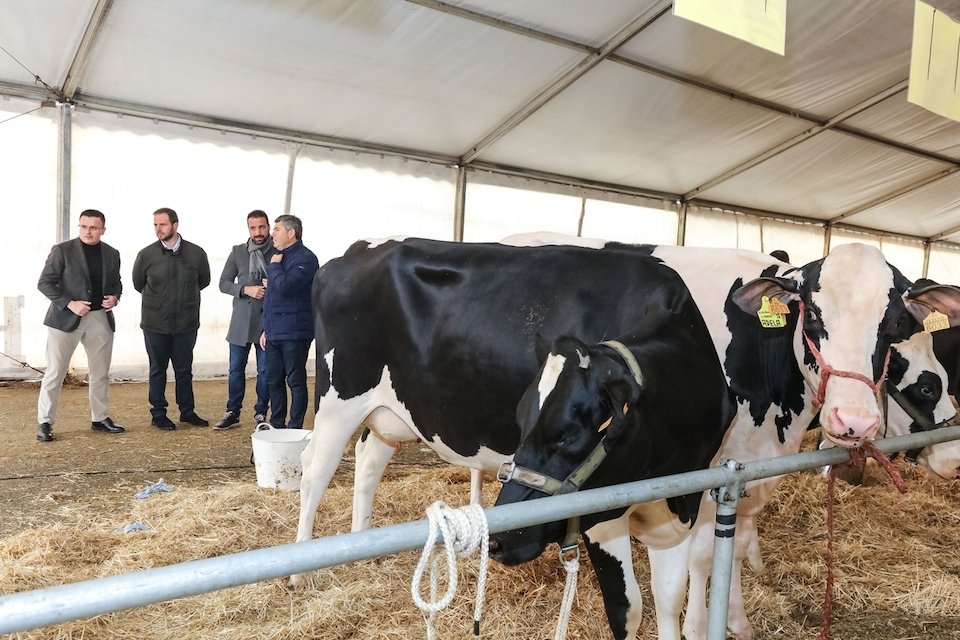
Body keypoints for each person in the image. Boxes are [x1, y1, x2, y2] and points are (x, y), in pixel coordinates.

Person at [36, 209, 125, 442]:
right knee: (55, 372)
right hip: (65, 319)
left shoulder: (112, 253)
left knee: (100, 373)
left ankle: (100, 418)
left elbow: (117, 282)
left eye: (93, 227)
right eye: (83, 226)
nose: (87, 231)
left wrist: (115, 297)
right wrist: (70, 303)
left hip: (100, 318)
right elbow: (45, 283)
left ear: (103, 230)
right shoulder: (62, 250)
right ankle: (45, 423)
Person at [132, 207, 211, 430]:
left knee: (184, 369)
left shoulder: (196, 253)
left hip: (186, 324)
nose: (158, 229)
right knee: (157, 369)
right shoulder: (146, 255)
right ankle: (158, 413)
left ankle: (187, 411)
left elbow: (204, 281)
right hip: (155, 324)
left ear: (175, 225)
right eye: (155, 225)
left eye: (163, 224)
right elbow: (138, 283)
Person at [212, 210, 276, 430]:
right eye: (253, 228)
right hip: (240, 322)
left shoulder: (278, 251)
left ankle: (261, 412)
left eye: (262, 227)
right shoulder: (238, 251)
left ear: (268, 227)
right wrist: (245, 289)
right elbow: (223, 283)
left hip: (266, 322)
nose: (258, 232)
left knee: (265, 371)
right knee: (235, 369)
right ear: (248, 228)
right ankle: (232, 411)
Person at [260, 214, 319, 430]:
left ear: (291, 232)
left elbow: (286, 287)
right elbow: (272, 298)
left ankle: (295, 427)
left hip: (295, 331)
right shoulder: (279, 257)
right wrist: (265, 329)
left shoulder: (306, 258)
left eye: (276, 229)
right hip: (274, 331)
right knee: (273, 380)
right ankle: (277, 425)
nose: (272, 234)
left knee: (295, 381)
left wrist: (274, 268)